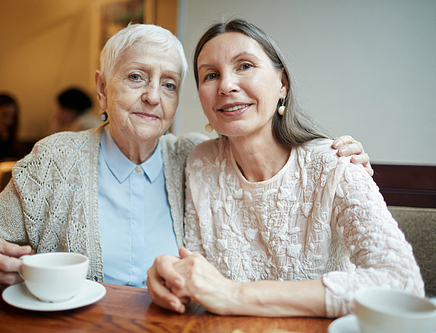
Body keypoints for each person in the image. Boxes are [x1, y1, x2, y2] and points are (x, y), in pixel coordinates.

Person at [0, 23, 369, 295]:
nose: (152, 96)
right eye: (135, 77)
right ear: (101, 87)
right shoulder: (56, 160)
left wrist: (336, 158)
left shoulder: (197, 158)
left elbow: (270, 165)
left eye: (168, 84)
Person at [146, 19, 423, 318]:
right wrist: (170, 279)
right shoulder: (201, 163)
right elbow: (197, 282)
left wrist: (236, 295)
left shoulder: (335, 163)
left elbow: (403, 284)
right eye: (211, 75)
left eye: (245, 66)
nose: (226, 85)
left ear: (282, 84)